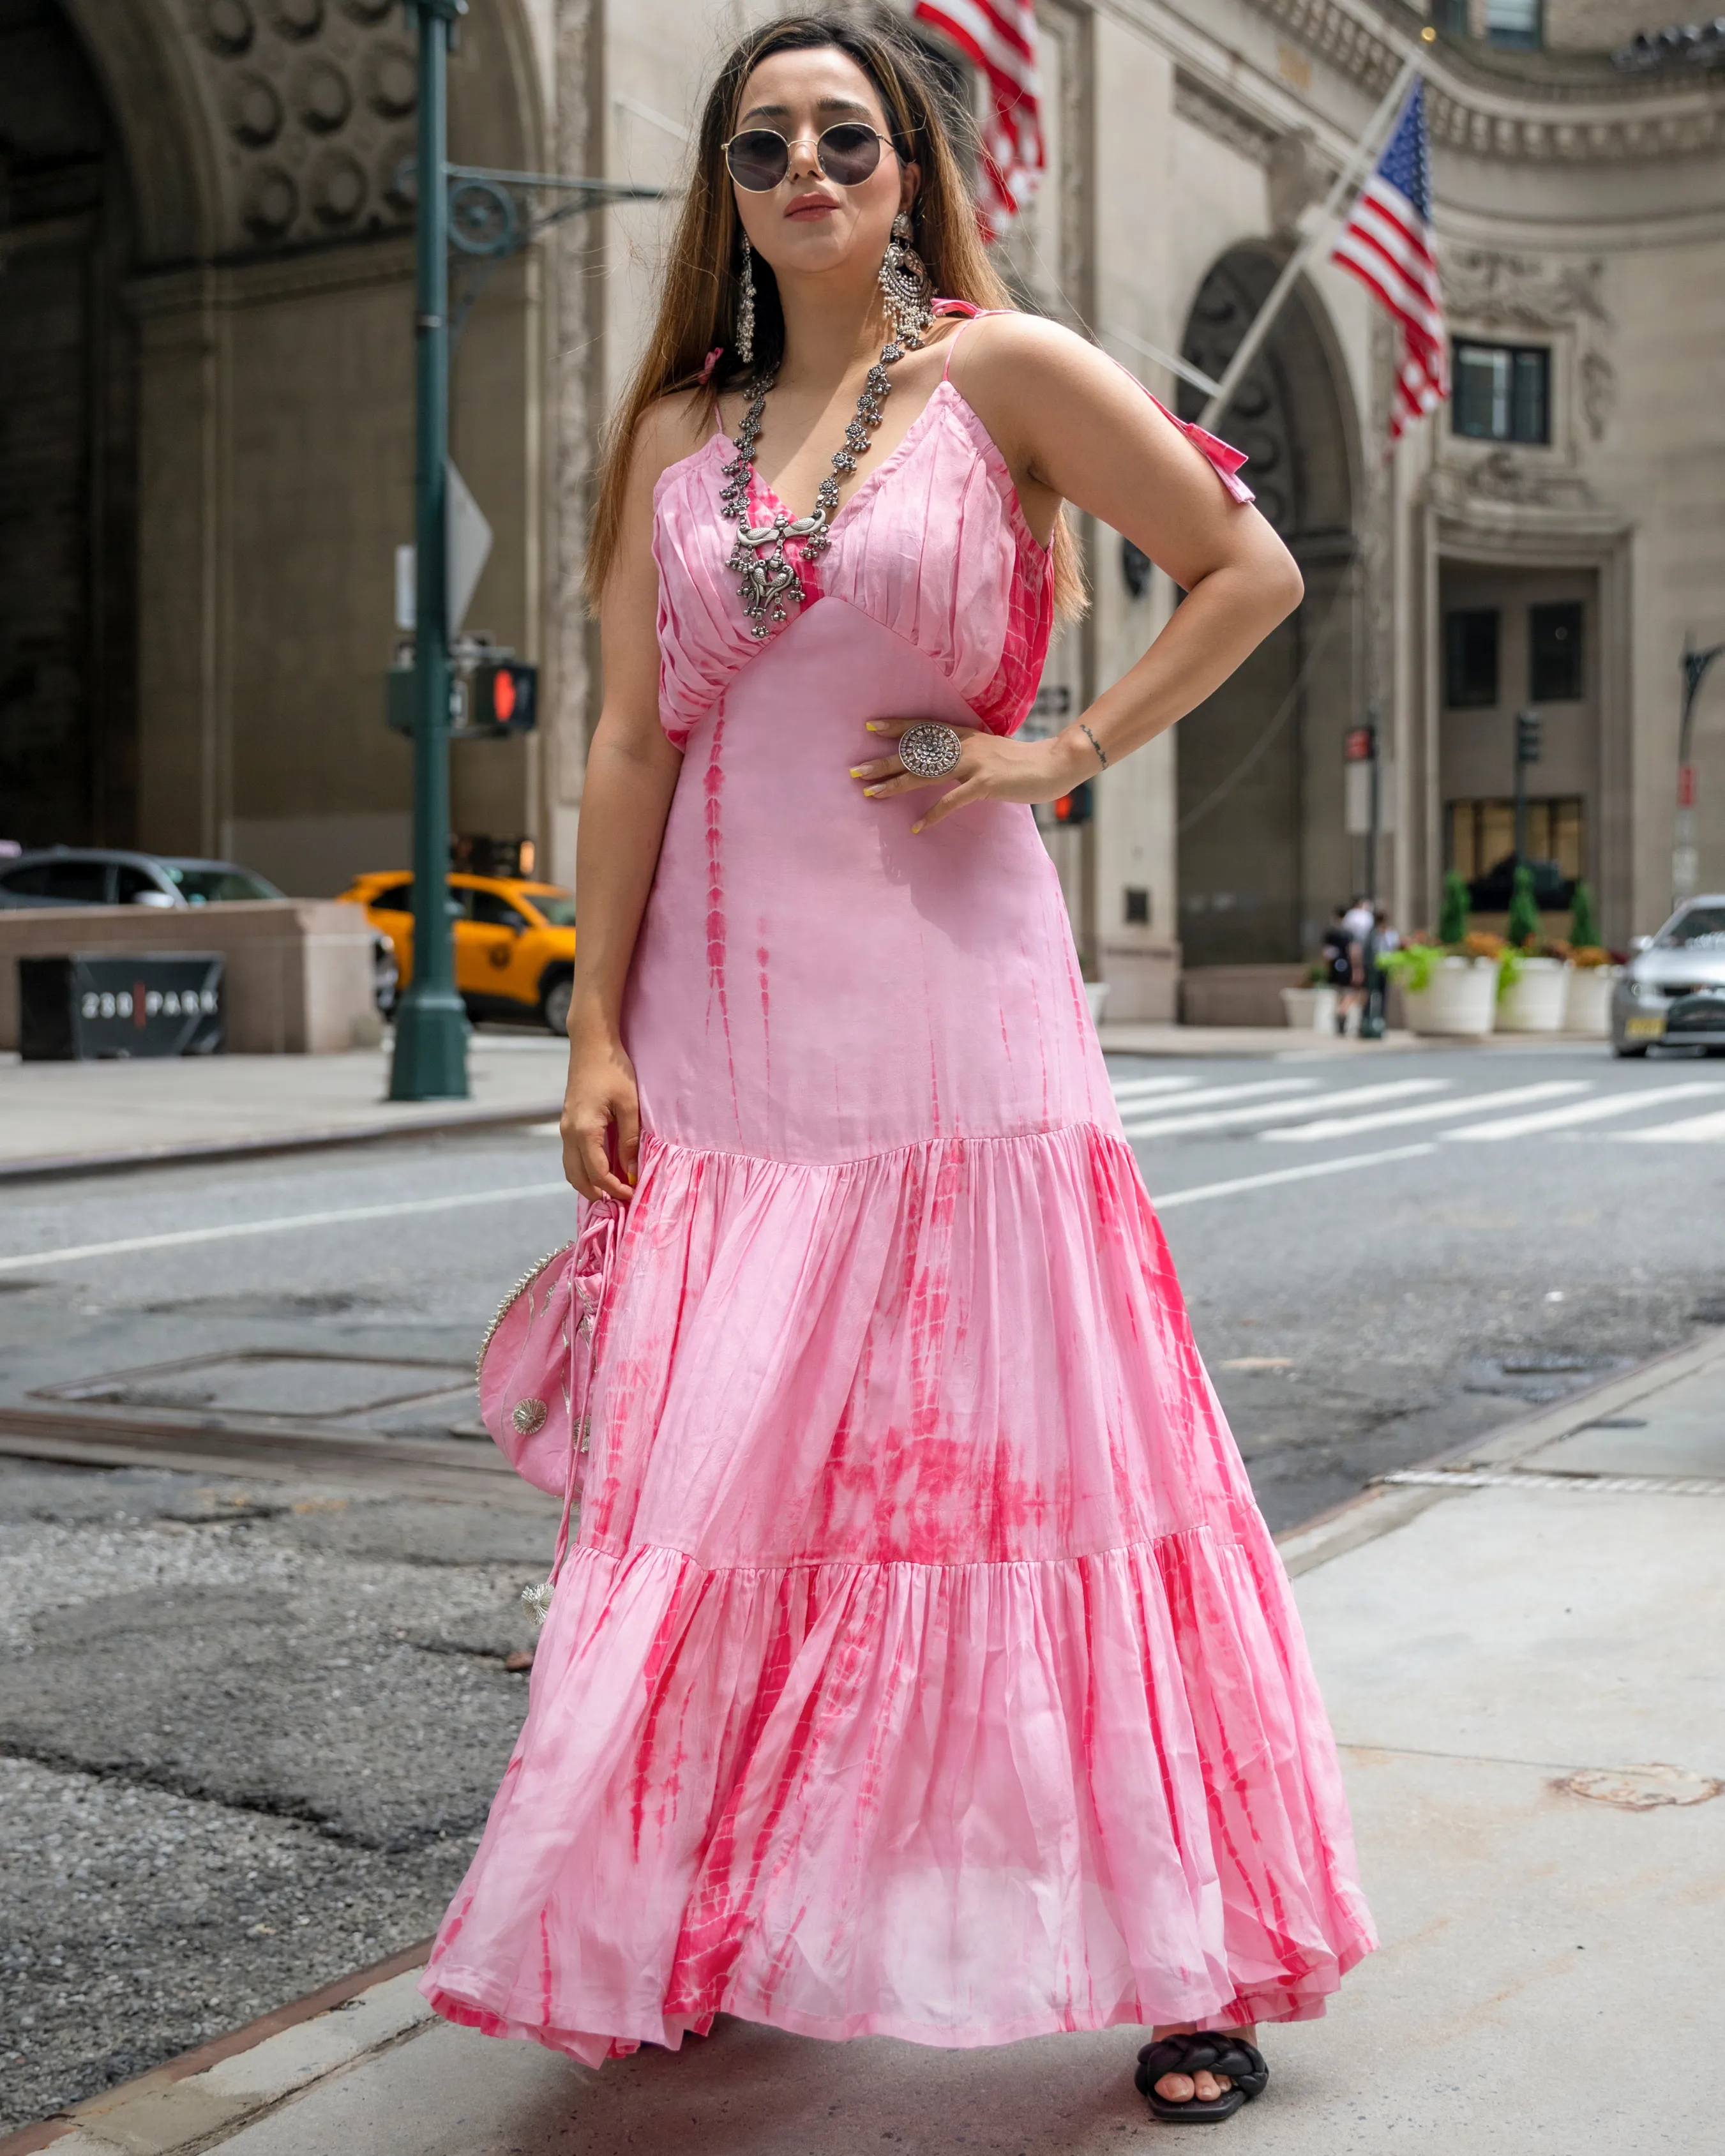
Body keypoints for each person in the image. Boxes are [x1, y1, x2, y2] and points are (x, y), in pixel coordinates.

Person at [421, 12, 1373, 2127]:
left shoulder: (1008, 377)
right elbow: (628, 736)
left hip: (958, 996)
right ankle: (704, 1926)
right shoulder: (677, 413)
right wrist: (587, 1021)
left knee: (1048, 1470)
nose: (804, 166)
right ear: (728, 189)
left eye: (843, 132)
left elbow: (1246, 569)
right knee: (727, 1483)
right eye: (761, 141)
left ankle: (1184, 1949)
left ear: (909, 160)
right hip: (725, 1016)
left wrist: (1060, 750)